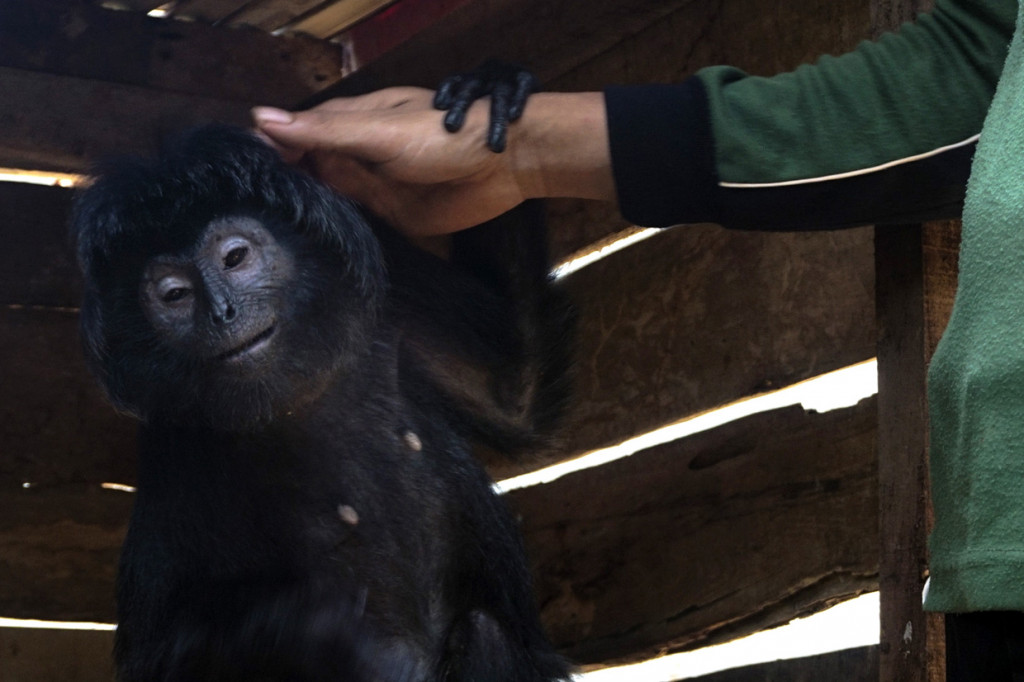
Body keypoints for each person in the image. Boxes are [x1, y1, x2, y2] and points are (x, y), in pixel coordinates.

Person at [253, 0, 1024, 677]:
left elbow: (510, 396)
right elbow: (978, 75)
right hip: (998, 558)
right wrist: (518, 144)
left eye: (236, 263)